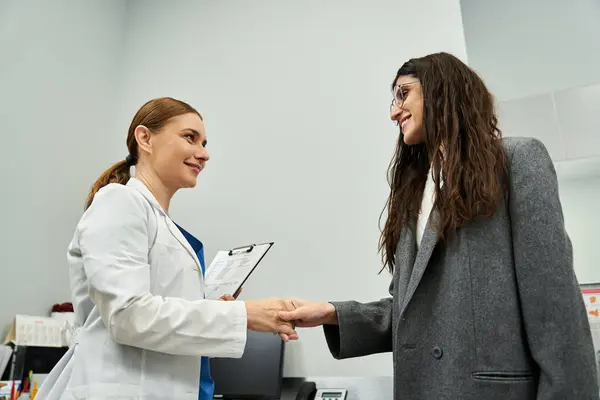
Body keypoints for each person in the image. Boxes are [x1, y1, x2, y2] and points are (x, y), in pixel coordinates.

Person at [279, 52, 599, 399]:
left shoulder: (517, 160)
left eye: (403, 93)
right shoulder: (415, 192)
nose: (393, 111)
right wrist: (332, 314)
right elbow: (408, 310)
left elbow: (554, 305)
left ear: (439, 91)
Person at [36, 97, 297, 400]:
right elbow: (128, 315)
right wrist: (242, 315)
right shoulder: (118, 202)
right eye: (190, 138)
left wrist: (216, 308)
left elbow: (156, 310)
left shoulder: (160, 223)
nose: (204, 154)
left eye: (205, 142)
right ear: (145, 138)